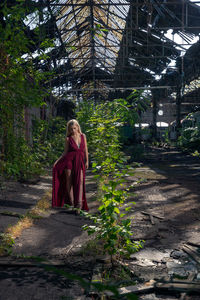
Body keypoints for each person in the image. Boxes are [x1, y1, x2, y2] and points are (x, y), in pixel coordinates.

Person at [52, 119, 89, 213]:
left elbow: (86, 151)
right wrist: (57, 161)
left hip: (79, 161)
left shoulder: (83, 136)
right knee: (69, 181)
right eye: (71, 129)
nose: (73, 130)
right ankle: (72, 202)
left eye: (74, 128)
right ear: (69, 129)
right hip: (69, 161)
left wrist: (87, 161)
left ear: (77, 127)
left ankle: (79, 204)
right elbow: (65, 152)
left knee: (80, 181)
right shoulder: (68, 139)